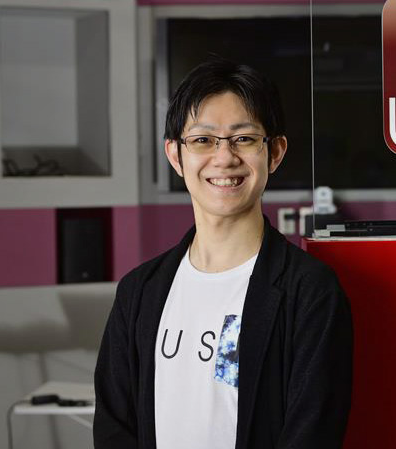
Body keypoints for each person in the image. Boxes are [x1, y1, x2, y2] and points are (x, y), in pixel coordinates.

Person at [93, 58, 353, 449]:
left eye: (244, 139)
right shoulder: (139, 292)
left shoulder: (310, 293)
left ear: (275, 152)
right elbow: (114, 428)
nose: (224, 157)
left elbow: (312, 433)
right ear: (175, 155)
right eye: (203, 140)